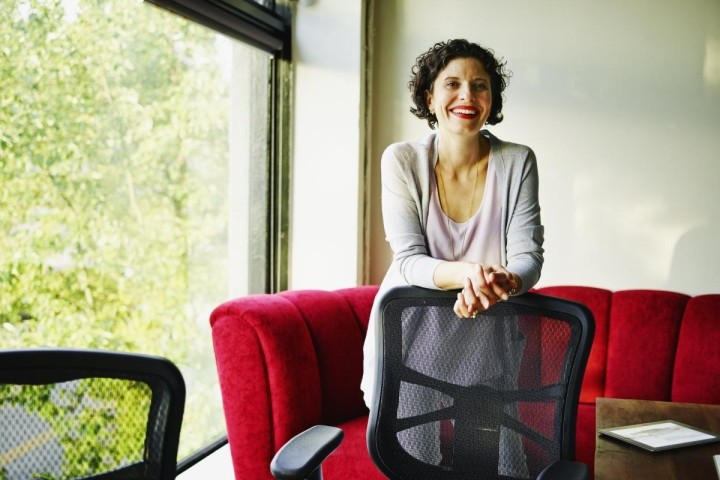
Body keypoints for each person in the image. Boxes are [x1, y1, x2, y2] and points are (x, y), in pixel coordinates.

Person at [361, 38, 544, 475]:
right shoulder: (402, 160)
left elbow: (528, 258)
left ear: (492, 100)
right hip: (409, 336)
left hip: (484, 334)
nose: (467, 96)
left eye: (480, 86)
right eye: (453, 84)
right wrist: (473, 274)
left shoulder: (517, 161)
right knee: (415, 465)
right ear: (430, 97)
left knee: (495, 467)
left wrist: (503, 282)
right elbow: (408, 260)